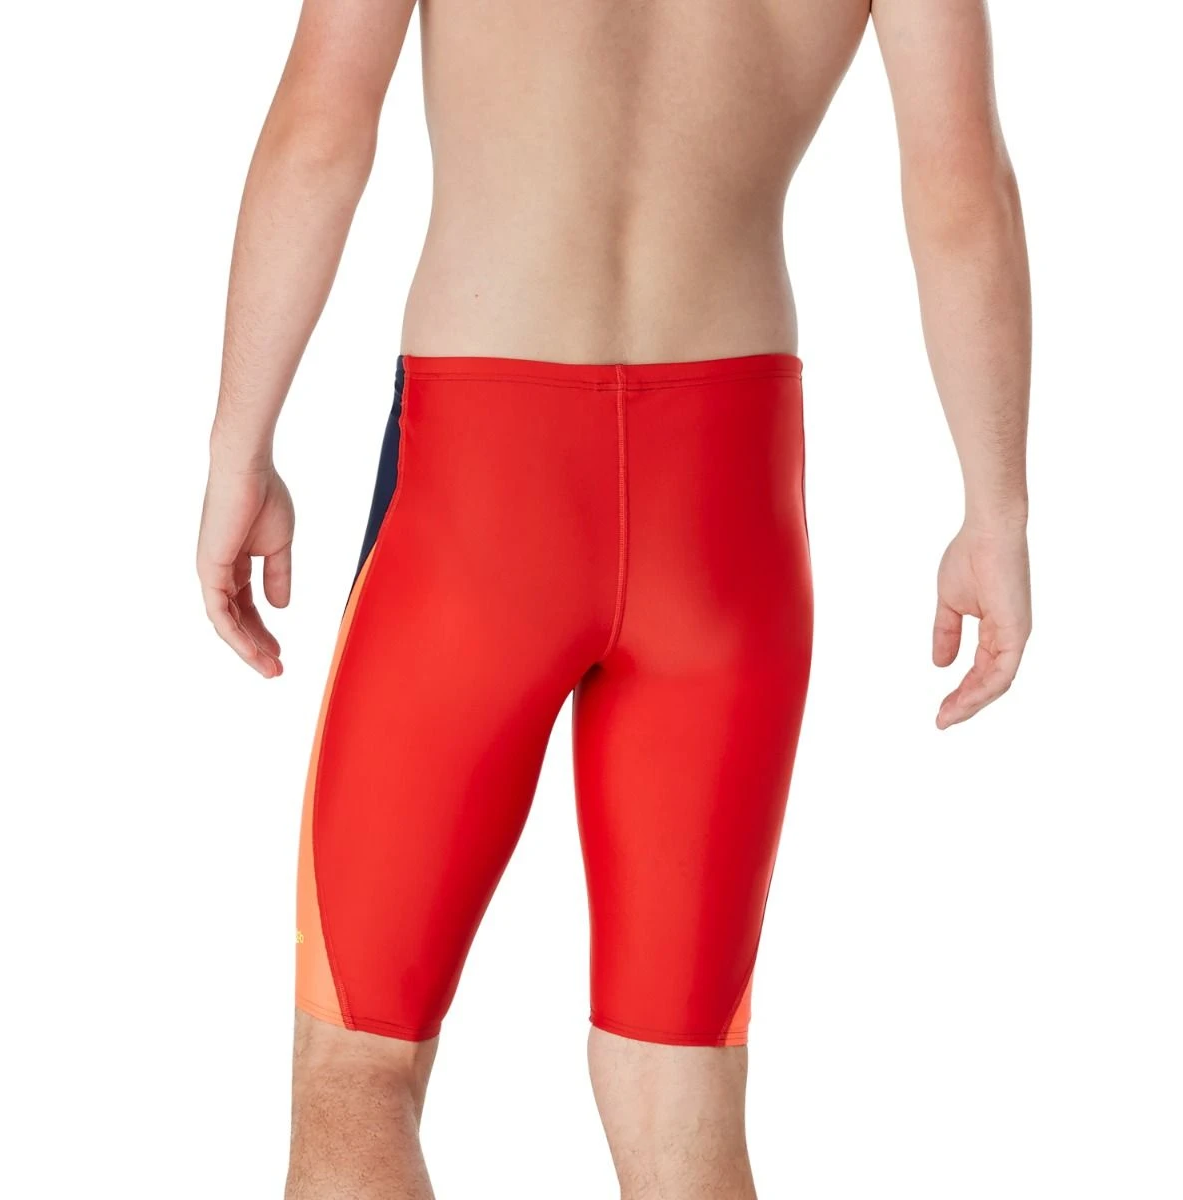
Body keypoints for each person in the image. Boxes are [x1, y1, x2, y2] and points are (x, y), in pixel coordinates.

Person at [197, 0, 1032, 1194]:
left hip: (480, 487)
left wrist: (239, 450)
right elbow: (959, 188)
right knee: (674, 1092)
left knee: (359, 1065)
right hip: (728, 501)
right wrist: (996, 510)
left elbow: (323, 126)